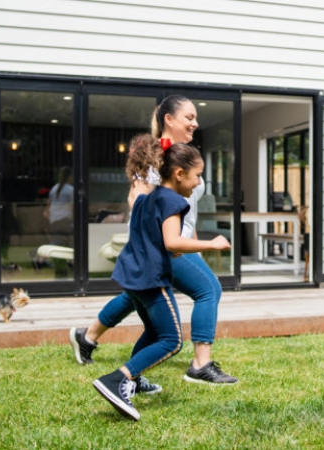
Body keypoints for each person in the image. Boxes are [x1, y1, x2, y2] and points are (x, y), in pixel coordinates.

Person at [71, 95, 237, 391]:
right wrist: (169, 244)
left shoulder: (183, 156)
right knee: (207, 290)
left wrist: (193, 241)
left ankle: (88, 336)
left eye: (196, 118)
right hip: (162, 244)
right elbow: (137, 201)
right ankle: (200, 365)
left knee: (137, 296)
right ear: (168, 119)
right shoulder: (154, 157)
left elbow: (188, 211)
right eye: (189, 117)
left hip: (178, 240)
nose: (195, 123)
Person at [93, 140, 229, 421]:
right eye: (197, 175)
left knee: (155, 332)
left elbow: (150, 234)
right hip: (151, 279)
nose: (198, 183)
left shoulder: (148, 197)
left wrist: (170, 247)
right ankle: (118, 379)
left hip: (132, 275)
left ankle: (132, 381)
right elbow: (172, 241)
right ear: (179, 174)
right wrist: (212, 244)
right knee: (171, 340)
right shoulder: (174, 201)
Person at [43, 166, 74, 277]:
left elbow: (47, 210)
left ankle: (44, 259)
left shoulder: (54, 189)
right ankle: (72, 261)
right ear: (70, 177)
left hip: (54, 221)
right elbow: (72, 208)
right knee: (78, 238)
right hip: (65, 221)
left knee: (58, 242)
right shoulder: (70, 190)